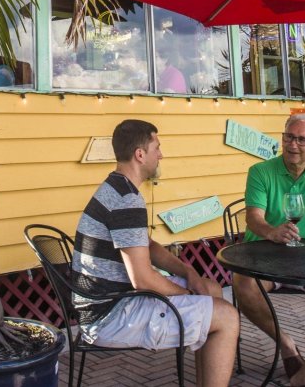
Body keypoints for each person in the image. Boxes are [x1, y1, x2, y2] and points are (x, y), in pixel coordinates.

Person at [72, 119, 239, 387]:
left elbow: (147, 246)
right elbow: (143, 280)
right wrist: (187, 296)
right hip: (110, 316)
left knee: (210, 290)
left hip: (108, 303)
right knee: (228, 317)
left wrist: (190, 273)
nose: (161, 154)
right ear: (140, 154)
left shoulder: (116, 188)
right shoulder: (126, 200)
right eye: (157, 147)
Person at [234, 113, 305, 386]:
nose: (293, 144)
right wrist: (272, 232)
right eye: (288, 137)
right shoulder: (261, 172)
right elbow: (254, 218)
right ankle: (285, 342)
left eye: (301, 139)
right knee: (242, 285)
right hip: (267, 258)